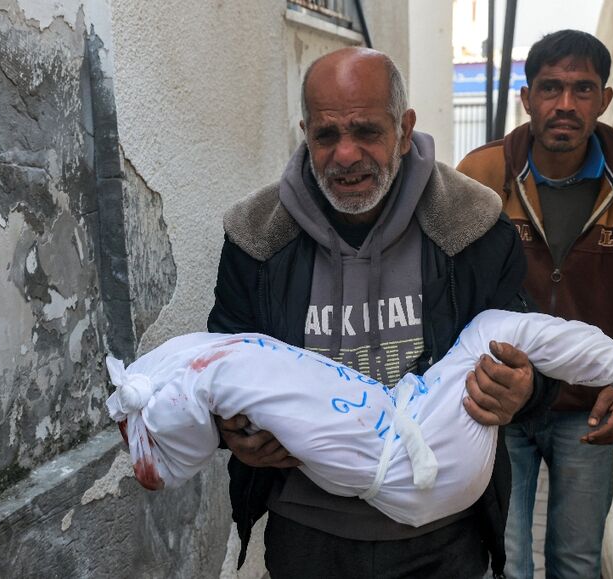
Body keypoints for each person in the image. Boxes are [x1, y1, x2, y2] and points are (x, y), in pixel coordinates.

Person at [206, 47, 557, 578]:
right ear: (305, 132)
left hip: (441, 533)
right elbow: (218, 363)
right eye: (326, 135)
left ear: (404, 127)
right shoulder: (257, 236)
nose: (346, 155)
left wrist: (525, 387)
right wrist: (229, 426)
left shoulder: (472, 225)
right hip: (308, 533)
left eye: (367, 131)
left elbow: (534, 354)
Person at [457, 30, 613, 579]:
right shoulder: (481, 176)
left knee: (577, 562)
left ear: (605, 99)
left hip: (592, 409)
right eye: (551, 88)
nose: (565, 104)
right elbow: (446, 287)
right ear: (527, 97)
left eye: (583, 89)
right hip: (500, 405)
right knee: (504, 561)